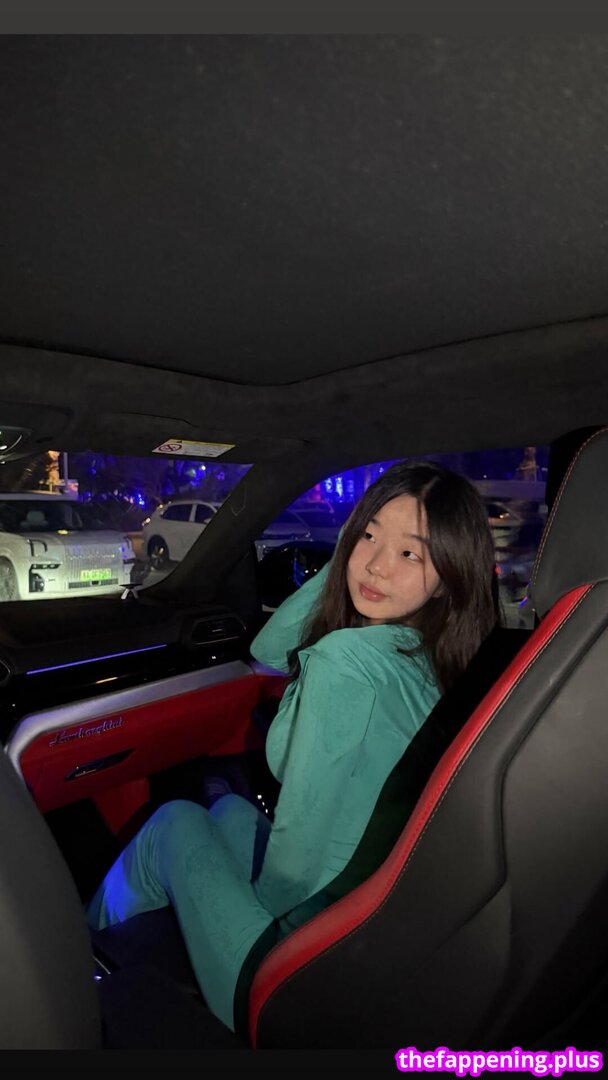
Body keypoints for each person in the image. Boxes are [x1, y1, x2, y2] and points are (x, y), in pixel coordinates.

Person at [86, 460, 498, 1031]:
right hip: (371, 926)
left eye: (411, 553)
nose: (377, 565)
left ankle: (73, 968)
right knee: (229, 810)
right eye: (369, 535)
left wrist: (254, 920)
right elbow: (270, 649)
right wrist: (351, 559)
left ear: (449, 572)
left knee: (174, 823)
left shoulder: (346, 666)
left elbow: (298, 856)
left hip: (293, 975)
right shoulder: (433, 658)